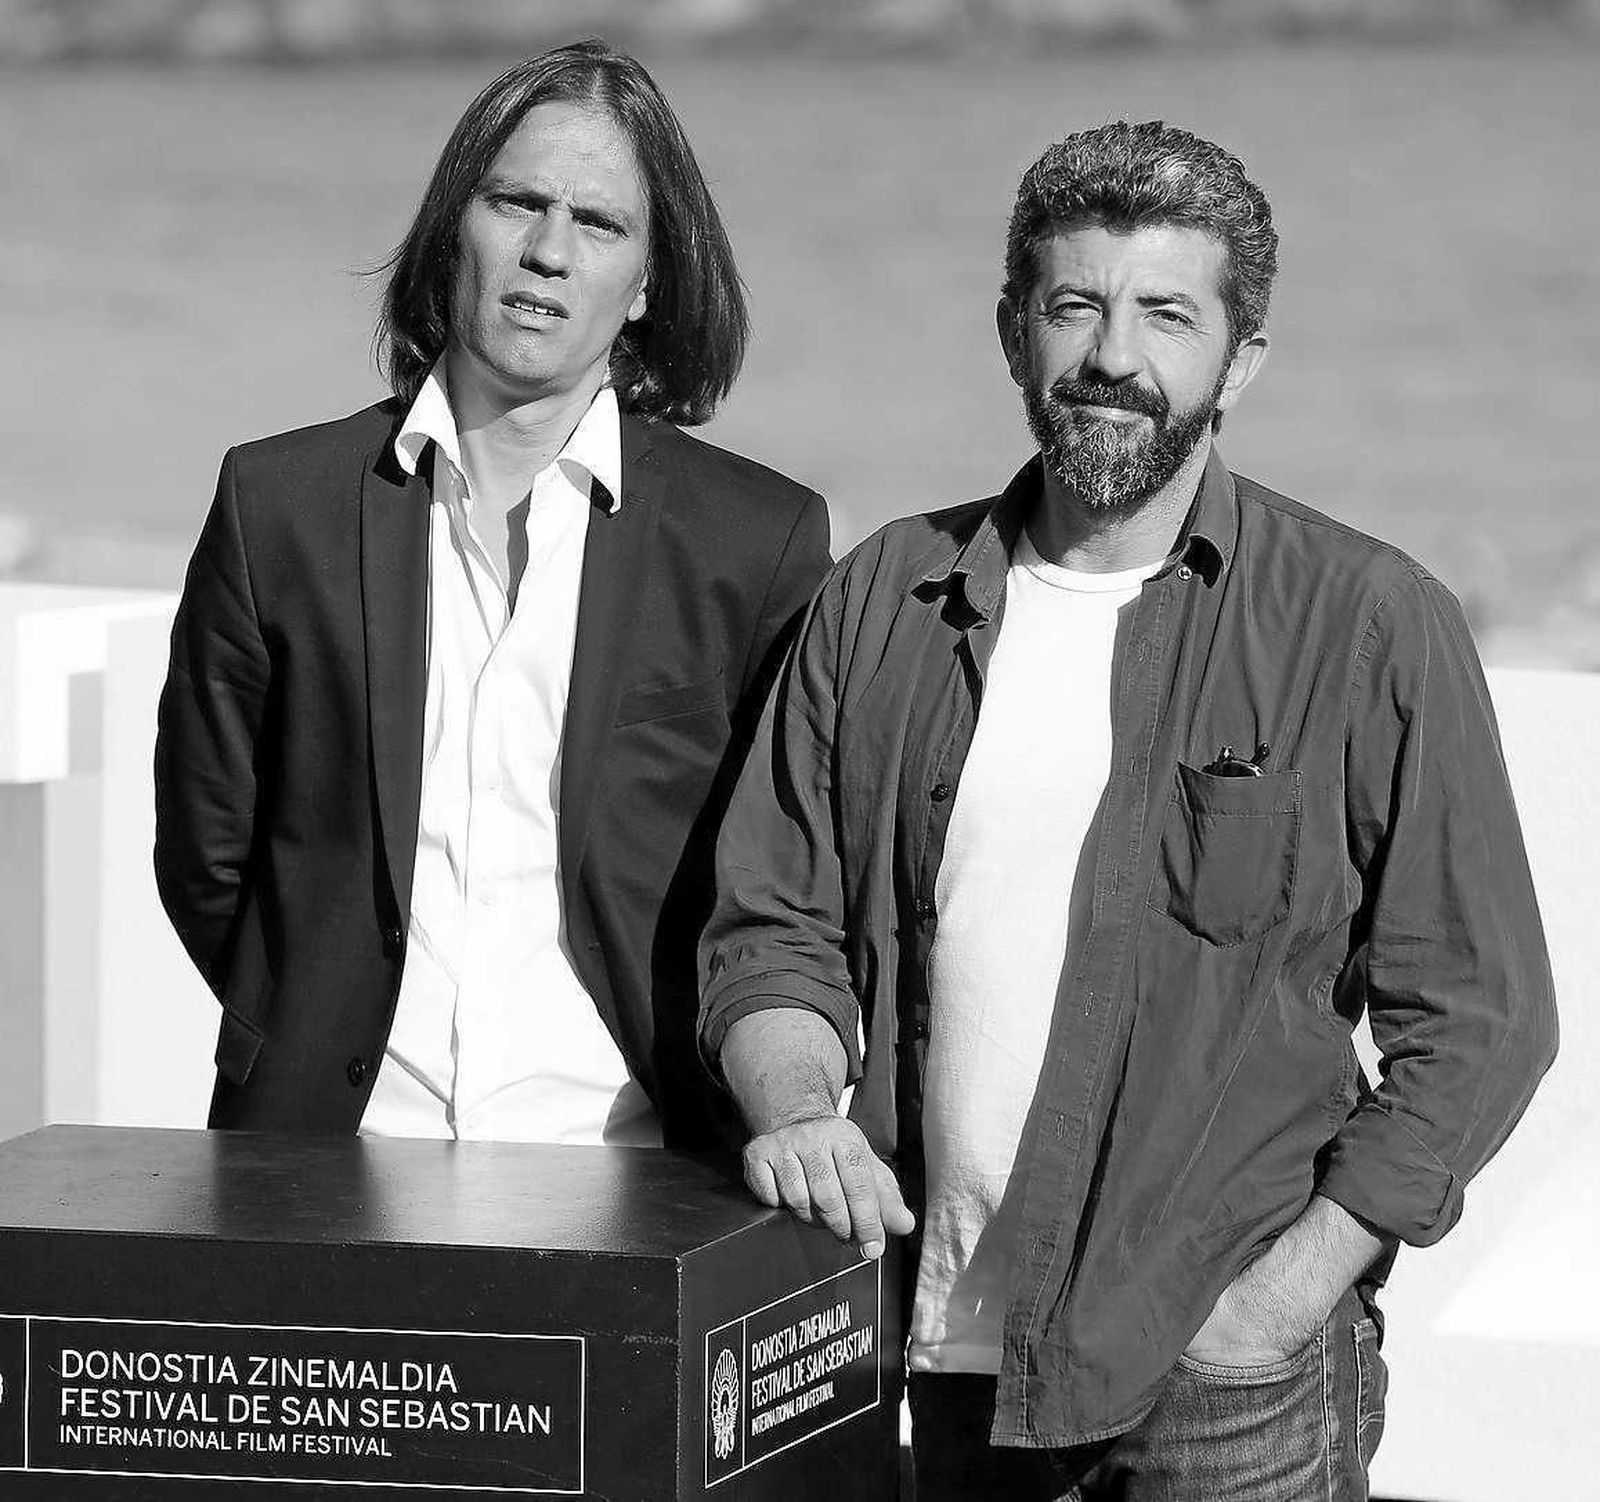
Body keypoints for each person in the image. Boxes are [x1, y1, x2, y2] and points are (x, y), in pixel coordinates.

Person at [699, 121, 1556, 1499]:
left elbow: (1484, 1016)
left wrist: (1286, 1295)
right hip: (932, 1358)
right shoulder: (883, 599)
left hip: (1229, 1382)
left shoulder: (1367, 622)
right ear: (1013, 330)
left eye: (1167, 313)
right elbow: (770, 926)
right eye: (1075, 304)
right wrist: (798, 1108)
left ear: (1243, 359)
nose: (1112, 355)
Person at [154, 40, 829, 1151]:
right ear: (453, 226)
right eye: (517, 201)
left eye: (600, 223)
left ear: (652, 281)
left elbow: (782, 877)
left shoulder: (755, 539)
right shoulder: (278, 503)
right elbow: (206, 846)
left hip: (631, 1155)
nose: (549, 251)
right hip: (330, 1151)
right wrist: (299, 1021)